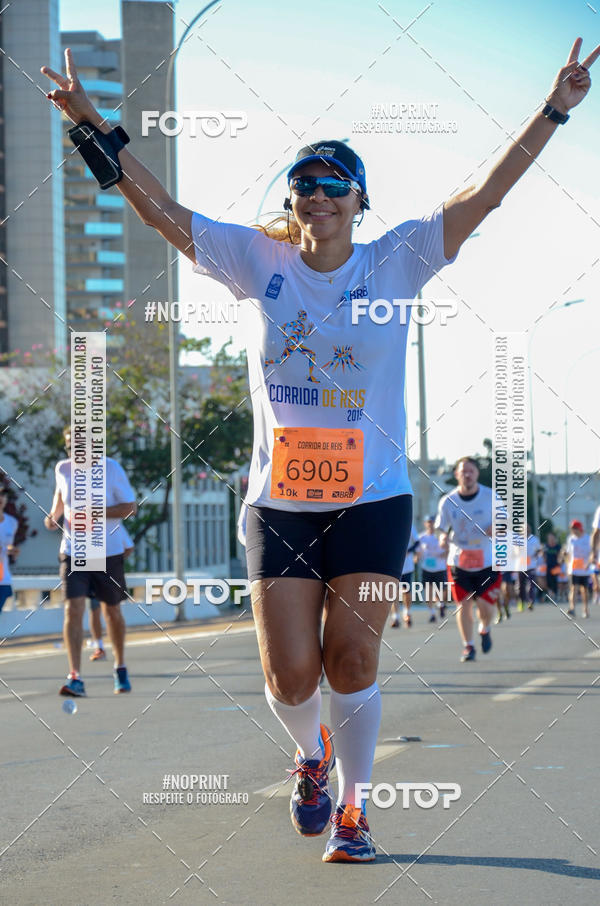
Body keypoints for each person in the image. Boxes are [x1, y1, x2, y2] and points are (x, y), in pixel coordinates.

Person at [41, 38, 600, 863]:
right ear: (293, 202)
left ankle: (354, 811)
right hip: (281, 500)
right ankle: (312, 758)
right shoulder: (256, 258)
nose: (319, 196)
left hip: (373, 499)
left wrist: (553, 110)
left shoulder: (397, 259)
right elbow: (159, 208)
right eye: (305, 184)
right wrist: (96, 128)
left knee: (352, 656)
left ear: (359, 200)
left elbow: (486, 195)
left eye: (336, 184)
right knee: (291, 678)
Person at [44, 427, 137, 695]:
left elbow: (130, 507)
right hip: (73, 551)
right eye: (71, 447)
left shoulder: (111, 469)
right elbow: (60, 502)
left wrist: (97, 512)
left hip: (107, 552)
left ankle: (120, 666)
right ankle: (75, 676)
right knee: (72, 610)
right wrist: (52, 517)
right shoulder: (62, 469)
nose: (76, 452)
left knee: (112, 612)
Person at [436, 457, 501, 662]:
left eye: (471, 471)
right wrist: (443, 538)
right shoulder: (448, 501)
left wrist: (497, 528)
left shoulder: (491, 497)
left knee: (486, 607)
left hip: (486, 561)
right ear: (457, 475)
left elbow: (505, 522)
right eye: (463, 471)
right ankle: (468, 646)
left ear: (476, 474)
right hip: (459, 561)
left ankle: (485, 627)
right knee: (462, 604)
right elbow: (442, 528)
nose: (467, 474)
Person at [88, 525, 135, 661]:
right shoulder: (84, 523)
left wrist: (115, 561)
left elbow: (129, 547)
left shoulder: (113, 525)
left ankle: (118, 651)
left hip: (110, 572)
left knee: (112, 611)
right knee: (94, 608)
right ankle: (99, 647)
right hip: (92, 570)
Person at [417, 515, 448, 622]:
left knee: (441, 591)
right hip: (427, 568)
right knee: (428, 592)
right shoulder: (421, 537)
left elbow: (447, 548)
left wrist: (445, 554)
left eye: (432, 522)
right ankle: (432, 614)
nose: (430, 524)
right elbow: (418, 551)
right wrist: (417, 557)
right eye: (428, 522)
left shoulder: (440, 536)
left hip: (440, 568)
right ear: (425, 524)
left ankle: (440, 604)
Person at [389, 524, 418, 628]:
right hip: (393, 565)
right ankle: (395, 617)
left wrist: (408, 551)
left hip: (407, 565)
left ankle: (407, 613)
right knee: (393, 593)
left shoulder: (410, 525)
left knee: (406, 591)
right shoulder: (389, 526)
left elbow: (417, 542)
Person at [563, 519, 591, 619]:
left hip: (585, 568)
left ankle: (585, 609)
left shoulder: (588, 538)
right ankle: (572, 608)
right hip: (574, 568)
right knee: (573, 588)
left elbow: (592, 552)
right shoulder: (571, 539)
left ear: (579, 528)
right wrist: (566, 561)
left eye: (574, 528)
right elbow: (567, 553)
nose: (573, 530)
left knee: (584, 590)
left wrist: (589, 562)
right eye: (572, 529)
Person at [0, 489, 19, 614]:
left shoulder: (12, 522)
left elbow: (9, 548)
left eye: (2, 494)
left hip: (3, 578)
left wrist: (13, 552)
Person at [517, 524, 542, 611]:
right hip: (521, 565)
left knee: (531, 584)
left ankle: (531, 602)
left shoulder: (534, 539)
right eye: (524, 529)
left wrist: (536, 554)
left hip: (531, 565)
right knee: (521, 586)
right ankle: (521, 602)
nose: (526, 530)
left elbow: (539, 549)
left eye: (527, 529)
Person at [543, 532, 562, 602]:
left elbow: (561, 555)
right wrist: (544, 558)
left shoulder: (558, 546)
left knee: (555, 580)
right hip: (548, 565)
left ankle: (555, 595)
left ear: (554, 538)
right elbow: (543, 554)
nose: (551, 539)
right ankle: (551, 594)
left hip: (556, 566)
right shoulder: (546, 546)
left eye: (552, 538)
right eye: (549, 538)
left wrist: (560, 560)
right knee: (548, 581)